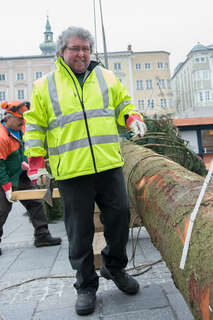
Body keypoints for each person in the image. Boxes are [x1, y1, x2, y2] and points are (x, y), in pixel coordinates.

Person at [23, 26, 147, 316]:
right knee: (79, 233)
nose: (81, 54)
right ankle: (85, 286)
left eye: (86, 49)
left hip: (108, 164)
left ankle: (114, 269)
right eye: (75, 48)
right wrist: (37, 164)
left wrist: (132, 118)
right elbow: (34, 127)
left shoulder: (106, 77)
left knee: (119, 220)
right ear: (62, 52)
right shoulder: (45, 86)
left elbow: (123, 105)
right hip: (72, 171)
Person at [0, 100, 62, 256]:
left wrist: (25, 164)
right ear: (8, 118)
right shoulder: (1, 136)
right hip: (4, 178)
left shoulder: (19, 130)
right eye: (20, 119)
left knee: (36, 203)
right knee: (2, 210)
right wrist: (7, 187)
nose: (23, 122)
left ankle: (42, 236)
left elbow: (19, 153)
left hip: (19, 176)